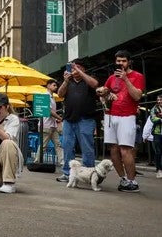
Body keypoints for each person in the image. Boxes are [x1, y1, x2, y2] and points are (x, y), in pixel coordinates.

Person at [96, 50, 145, 192]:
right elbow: (102, 93)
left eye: (123, 61)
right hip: (110, 116)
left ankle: (132, 181)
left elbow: (136, 96)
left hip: (127, 116)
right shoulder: (111, 77)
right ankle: (123, 179)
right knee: (113, 149)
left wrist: (125, 79)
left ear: (129, 62)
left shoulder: (138, 76)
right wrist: (104, 93)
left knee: (125, 150)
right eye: (118, 61)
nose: (120, 63)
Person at [55, 59, 99, 183]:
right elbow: (60, 94)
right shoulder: (68, 82)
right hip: (69, 119)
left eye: (78, 67)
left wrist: (80, 71)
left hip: (86, 119)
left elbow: (95, 84)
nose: (74, 70)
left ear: (83, 69)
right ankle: (68, 173)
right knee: (67, 146)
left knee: (87, 148)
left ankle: (88, 173)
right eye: (73, 68)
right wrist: (65, 81)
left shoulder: (88, 80)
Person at [34, 79, 64, 165]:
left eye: (56, 85)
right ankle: (36, 162)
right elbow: (49, 111)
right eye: (54, 85)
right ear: (48, 85)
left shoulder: (52, 97)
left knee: (58, 144)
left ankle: (62, 162)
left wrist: (56, 119)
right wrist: (59, 118)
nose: (56, 87)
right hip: (46, 125)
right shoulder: (46, 96)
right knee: (43, 145)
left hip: (52, 125)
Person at [146, 95, 162, 178]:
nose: (159, 101)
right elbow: (153, 118)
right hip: (157, 133)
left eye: (160, 100)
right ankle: (159, 170)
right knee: (158, 152)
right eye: (158, 100)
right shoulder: (154, 109)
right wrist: (160, 119)